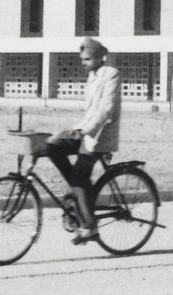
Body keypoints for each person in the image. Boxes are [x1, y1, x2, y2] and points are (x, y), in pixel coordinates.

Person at [44, 38, 122, 244]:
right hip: (86, 131)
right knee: (52, 146)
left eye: (87, 59)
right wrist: (74, 130)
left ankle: (89, 227)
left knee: (80, 175)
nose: (83, 63)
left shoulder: (111, 74)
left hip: (101, 135)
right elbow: (89, 111)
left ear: (99, 57)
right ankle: (78, 195)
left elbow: (106, 110)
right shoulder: (92, 76)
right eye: (82, 59)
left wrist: (85, 130)